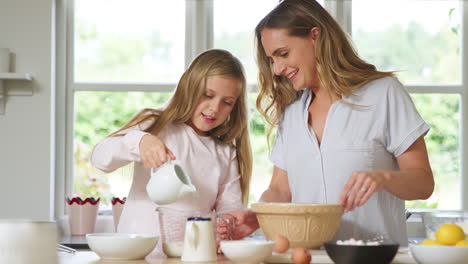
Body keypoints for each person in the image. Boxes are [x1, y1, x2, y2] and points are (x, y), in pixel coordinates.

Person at [229, 0, 434, 245]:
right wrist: (258, 215)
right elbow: (281, 190)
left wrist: (383, 178)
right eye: (272, 59)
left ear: (315, 36)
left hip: (373, 259)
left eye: (283, 54)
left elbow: (423, 183)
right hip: (307, 257)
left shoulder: (383, 94)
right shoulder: (292, 111)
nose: (277, 69)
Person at [91, 49, 252, 248]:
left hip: (192, 257)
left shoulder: (225, 153)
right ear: (189, 88)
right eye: (207, 95)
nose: (215, 108)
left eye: (227, 102)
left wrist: (226, 226)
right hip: (137, 255)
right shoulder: (156, 127)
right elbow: (100, 157)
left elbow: (230, 207)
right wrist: (140, 142)